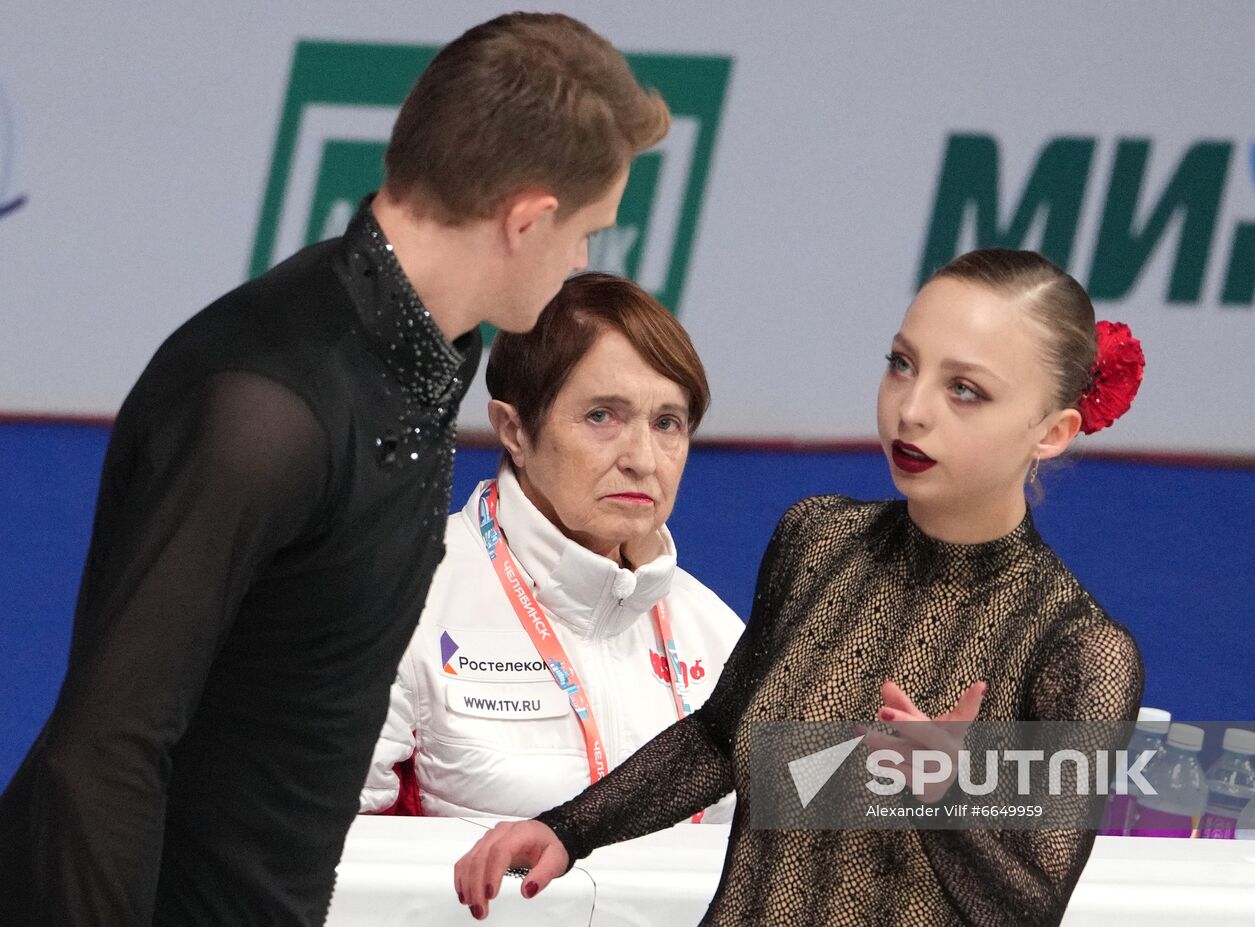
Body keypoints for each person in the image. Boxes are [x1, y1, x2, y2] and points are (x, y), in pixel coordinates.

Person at [0, 13, 669, 926]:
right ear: (528, 219)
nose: (585, 261)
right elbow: (99, 757)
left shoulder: (416, 361)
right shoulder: (264, 405)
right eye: (591, 231)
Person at [453, 248, 1147, 925]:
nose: (912, 410)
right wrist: (569, 830)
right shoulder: (818, 538)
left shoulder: (1077, 648)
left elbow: (1032, 905)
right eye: (902, 365)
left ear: (1053, 433)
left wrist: (947, 798)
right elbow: (719, 741)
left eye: (964, 389)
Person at [360, 273, 742, 821]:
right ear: (514, 431)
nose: (643, 458)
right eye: (601, 416)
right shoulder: (397, 599)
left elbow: (840, 812)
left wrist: (909, 763)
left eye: (667, 423)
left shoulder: (720, 635)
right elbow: (305, 850)